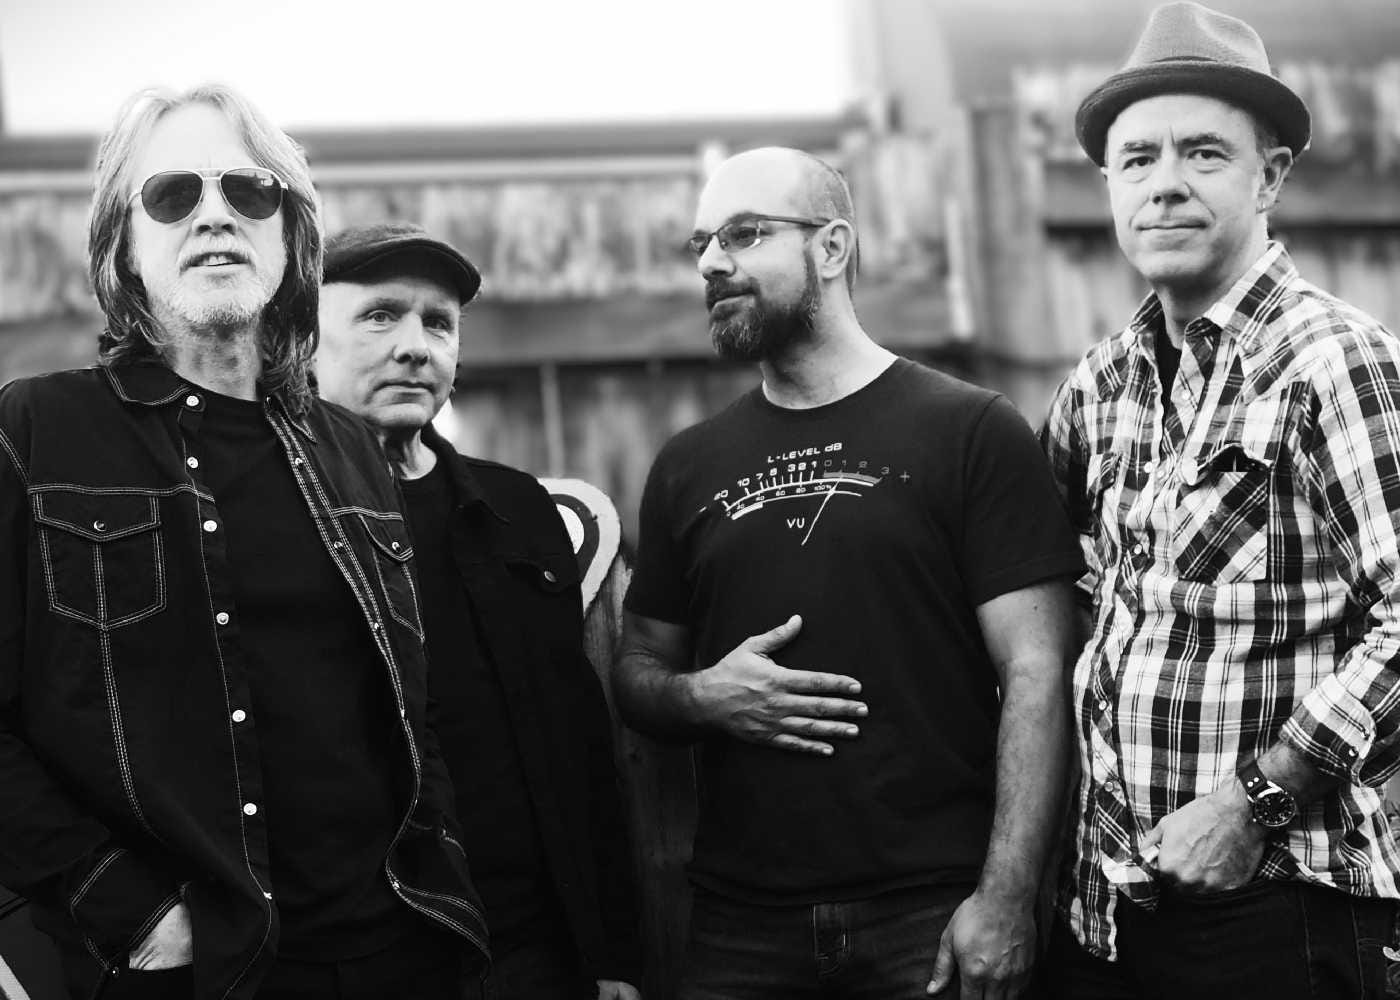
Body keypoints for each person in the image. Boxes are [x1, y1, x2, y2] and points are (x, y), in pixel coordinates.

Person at [0, 86, 487, 1000]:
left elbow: (408, 711)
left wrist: (445, 868)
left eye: (250, 191)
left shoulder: (351, 449)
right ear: (122, 245)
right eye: (172, 194)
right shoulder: (33, 433)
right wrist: (125, 909)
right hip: (200, 972)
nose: (216, 214)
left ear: (290, 235)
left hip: (399, 947)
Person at [611, 146, 1084, 999]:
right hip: (739, 927)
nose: (712, 261)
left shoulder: (970, 431)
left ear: (831, 248)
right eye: (701, 243)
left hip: (930, 916)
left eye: (744, 233)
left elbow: (1038, 670)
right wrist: (703, 696)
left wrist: (1008, 897)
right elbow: (638, 667)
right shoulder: (687, 464)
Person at [1040, 4, 1400, 997]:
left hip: (1277, 908)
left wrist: (1251, 803)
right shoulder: (1098, 386)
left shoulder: (1331, 361)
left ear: (1268, 177)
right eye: (1136, 158)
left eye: (1202, 153)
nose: (1163, 183)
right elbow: (1044, 592)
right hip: (1107, 911)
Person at [315, 222, 642, 1000]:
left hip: (533, 949)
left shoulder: (516, 508)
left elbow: (579, 745)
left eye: (439, 323)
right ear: (302, 343)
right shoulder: (270, 515)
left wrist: (613, 955)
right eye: (379, 316)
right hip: (362, 956)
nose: (415, 347)